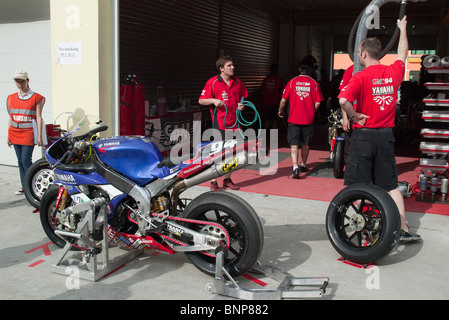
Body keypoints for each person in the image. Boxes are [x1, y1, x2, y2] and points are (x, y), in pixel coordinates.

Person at [338, 16, 421, 241]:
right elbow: (403, 52)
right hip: (385, 136)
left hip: (363, 137)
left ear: (364, 54)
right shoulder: (393, 73)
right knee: (391, 186)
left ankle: (356, 230)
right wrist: (402, 29)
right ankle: (403, 229)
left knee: (358, 186)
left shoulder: (360, 77)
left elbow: (343, 100)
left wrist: (355, 115)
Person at [199, 56, 248, 191]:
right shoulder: (213, 82)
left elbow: (242, 98)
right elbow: (201, 100)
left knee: (234, 152)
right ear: (221, 69)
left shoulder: (237, 82)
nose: (232, 67)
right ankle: (213, 180)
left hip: (235, 122)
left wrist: (240, 105)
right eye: (229, 65)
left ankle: (227, 179)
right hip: (220, 123)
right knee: (218, 152)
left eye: (232, 65)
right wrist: (213, 101)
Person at [279, 64, 324, 179]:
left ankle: (295, 167)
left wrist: (280, 110)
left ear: (299, 70)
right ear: (309, 71)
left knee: (294, 145)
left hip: (293, 119)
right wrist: (312, 112)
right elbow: (318, 102)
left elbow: (284, 100)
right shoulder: (314, 83)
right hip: (308, 119)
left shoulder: (292, 82)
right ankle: (303, 164)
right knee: (306, 143)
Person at [7, 70, 45, 195]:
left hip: (28, 133)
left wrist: (39, 136)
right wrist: (8, 135)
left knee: (26, 160)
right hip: (15, 133)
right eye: (17, 81)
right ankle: (24, 186)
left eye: (22, 81)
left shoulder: (36, 97)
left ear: (27, 81)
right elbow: (11, 117)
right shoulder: (11, 98)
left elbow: (39, 117)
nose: (19, 84)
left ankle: (32, 185)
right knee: (20, 161)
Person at [260, 63, 284, 130]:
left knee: (267, 121)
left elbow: (262, 92)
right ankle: (273, 139)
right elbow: (282, 92)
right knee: (275, 121)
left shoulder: (266, 79)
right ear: (277, 70)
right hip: (275, 103)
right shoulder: (279, 79)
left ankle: (263, 137)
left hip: (266, 103)